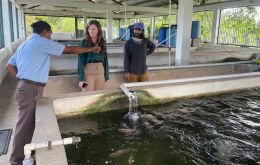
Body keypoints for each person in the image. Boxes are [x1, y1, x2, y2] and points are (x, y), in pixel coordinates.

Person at [5, 20, 101, 165]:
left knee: (28, 123)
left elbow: (9, 66)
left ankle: (25, 151)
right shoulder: (42, 42)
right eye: (50, 34)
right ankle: (16, 160)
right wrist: (91, 49)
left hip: (27, 87)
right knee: (24, 126)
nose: (50, 37)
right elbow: (68, 49)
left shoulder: (25, 44)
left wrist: (22, 79)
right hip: (30, 88)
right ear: (45, 32)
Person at [77, 20, 109, 91]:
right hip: (89, 71)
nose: (91, 31)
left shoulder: (102, 42)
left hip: (100, 70)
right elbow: (80, 60)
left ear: (98, 30)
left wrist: (106, 75)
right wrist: (81, 78)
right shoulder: (84, 42)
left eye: (93, 29)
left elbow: (105, 59)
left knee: (98, 95)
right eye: (89, 29)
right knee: (87, 94)